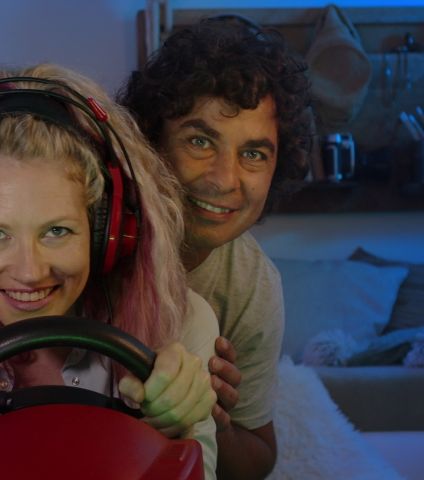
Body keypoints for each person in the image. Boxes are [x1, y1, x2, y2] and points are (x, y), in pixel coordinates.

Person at [0, 63, 219, 480]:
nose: (29, 272)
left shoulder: (185, 321)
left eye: (57, 231)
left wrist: (177, 432)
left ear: (107, 233)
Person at [118, 16, 315, 480]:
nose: (225, 179)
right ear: (152, 143)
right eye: (200, 140)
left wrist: (208, 414)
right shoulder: (85, 235)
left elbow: (258, 458)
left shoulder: (252, 287)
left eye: (253, 154)